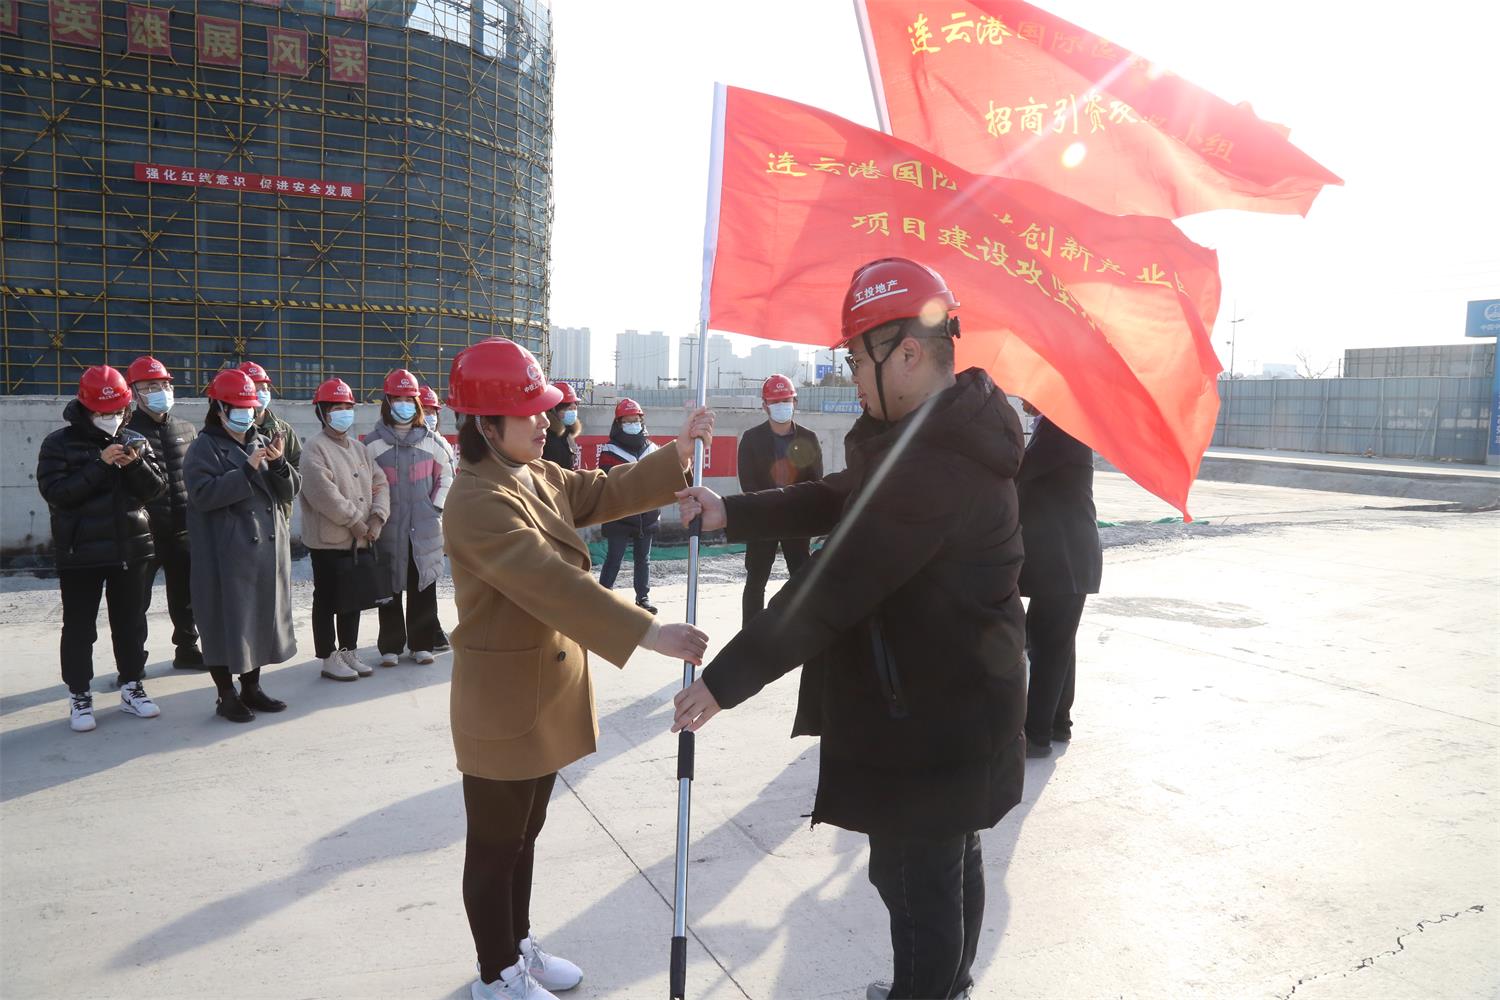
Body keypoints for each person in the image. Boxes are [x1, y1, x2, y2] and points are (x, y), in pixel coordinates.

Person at [671, 258, 1027, 1000]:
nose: (850, 377)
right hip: (947, 700)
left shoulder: (936, 466)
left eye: (856, 360)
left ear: (906, 352)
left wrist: (724, 680)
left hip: (932, 711)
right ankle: (950, 986)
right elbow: (842, 495)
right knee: (945, 860)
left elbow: (831, 586)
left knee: (915, 878)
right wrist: (732, 511)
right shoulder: (931, 434)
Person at [440, 337, 714, 1000]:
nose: (545, 420)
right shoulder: (477, 500)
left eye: (543, 408)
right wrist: (649, 631)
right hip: (503, 702)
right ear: (485, 425)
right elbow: (550, 582)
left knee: (525, 834)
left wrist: (678, 452)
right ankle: (495, 975)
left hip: (539, 693)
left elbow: (601, 490)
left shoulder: (533, 473)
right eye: (528, 412)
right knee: (495, 845)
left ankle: (517, 947)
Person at [37, 365, 166, 732]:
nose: (112, 418)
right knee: (79, 628)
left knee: (130, 624)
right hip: (81, 553)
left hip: (131, 549)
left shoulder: (136, 440)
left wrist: (134, 465)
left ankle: (132, 686)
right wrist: (100, 464)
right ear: (85, 408)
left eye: (118, 411)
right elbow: (57, 493)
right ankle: (80, 694)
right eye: (103, 412)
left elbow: (155, 490)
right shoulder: (58, 444)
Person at [184, 369, 301, 722]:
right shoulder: (203, 447)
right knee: (223, 624)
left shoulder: (260, 440)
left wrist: (278, 464)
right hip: (225, 554)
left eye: (249, 407)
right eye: (237, 407)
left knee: (258, 620)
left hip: (263, 551)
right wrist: (247, 470)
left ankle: (252, 687)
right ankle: (226, 695)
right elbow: (203, 495)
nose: (246, 413)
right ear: (219, 408)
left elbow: (290, 490)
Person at [1016, 402, 1102, 758]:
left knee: (1048, 644)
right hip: (1065, 556)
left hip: (1065, 557)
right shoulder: (1056, 425)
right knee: (1057, 643)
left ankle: (1036, 735)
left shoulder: (1062, 425)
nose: (1022, 397)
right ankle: (1057, 723)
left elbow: (1019, 473)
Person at [300, 377, 391, 682]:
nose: (343, 413)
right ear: (322, 412)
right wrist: (354, 521)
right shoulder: (314, 448)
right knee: (327, 598)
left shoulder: (359, 448)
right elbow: (323, 493)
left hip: (360, 538)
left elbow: (380, 482)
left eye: (347, 407)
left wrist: (377, 517)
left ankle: (348, 650)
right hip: (329, 541)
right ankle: (328, 657)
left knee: (352, 598)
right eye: (335, 407)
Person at [366, 367, 451, 667]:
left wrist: (434, 508)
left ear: (416, 404)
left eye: (408, 400)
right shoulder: (373, 444)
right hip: (388, 528)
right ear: (387, 403)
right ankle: (390, 646)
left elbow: (447, 477)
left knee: (422, 584)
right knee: (389, 587)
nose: (403, 405)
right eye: (397, 399)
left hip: (423, 527)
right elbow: (365, 483)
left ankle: (422, 644)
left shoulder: (432, 441)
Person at [124, 355, 204, 670]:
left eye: (164, 385)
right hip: (143, 533)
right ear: (134, 392)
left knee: (186, 597)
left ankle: (187, 649)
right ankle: (133, 661)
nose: (160, 391)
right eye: (150, 386)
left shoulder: (186, 428)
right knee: (135, 602)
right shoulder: (125, 432)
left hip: (183, 528)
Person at [736, 373, 824, 625]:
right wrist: (768, 509)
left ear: (795, 402)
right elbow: (748, 483)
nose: (782, 406)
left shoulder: (808, 438)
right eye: (775, 402)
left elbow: (815, 482)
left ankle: (802, 631)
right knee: (756, 581)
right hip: (762, 521)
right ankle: (750, 635)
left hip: (796, 521)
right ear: (765, 406)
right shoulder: (751, 439)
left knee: (800, 579)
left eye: (786, 400)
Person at [596, 398, 661, 614]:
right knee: (614, 558)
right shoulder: (610, 449)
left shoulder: (652, 448)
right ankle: (603, 596)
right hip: (619, 515)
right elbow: (608, 481)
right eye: (627, 421)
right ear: (618, 423)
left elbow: (659, 478)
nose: (633, 424)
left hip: (647, 515)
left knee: (644, 559)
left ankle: (643, 597)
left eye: (636, 420)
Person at [237, 360, 302, 532]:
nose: (262, 393)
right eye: (255, 389)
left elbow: (297, 468)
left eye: (265, 389)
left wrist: (281, 468)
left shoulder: (283, 430)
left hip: (279, 516)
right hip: (246, 521)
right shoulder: (235, 431)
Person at [421, 382, 457, 653]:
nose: (430, 416)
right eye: (425, 411)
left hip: (433, 519)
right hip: (409, 520)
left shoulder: (440, 443)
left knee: (429, 578)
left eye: (433, 411)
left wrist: (434, 510)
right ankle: (399, 637)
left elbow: (447, 479)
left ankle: (430, 630)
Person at [540, 381, 581, 470]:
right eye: (568, 409)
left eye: (574, 409)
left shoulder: (567, 434)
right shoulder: (546, 437)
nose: (573, 413)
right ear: (554, 409)